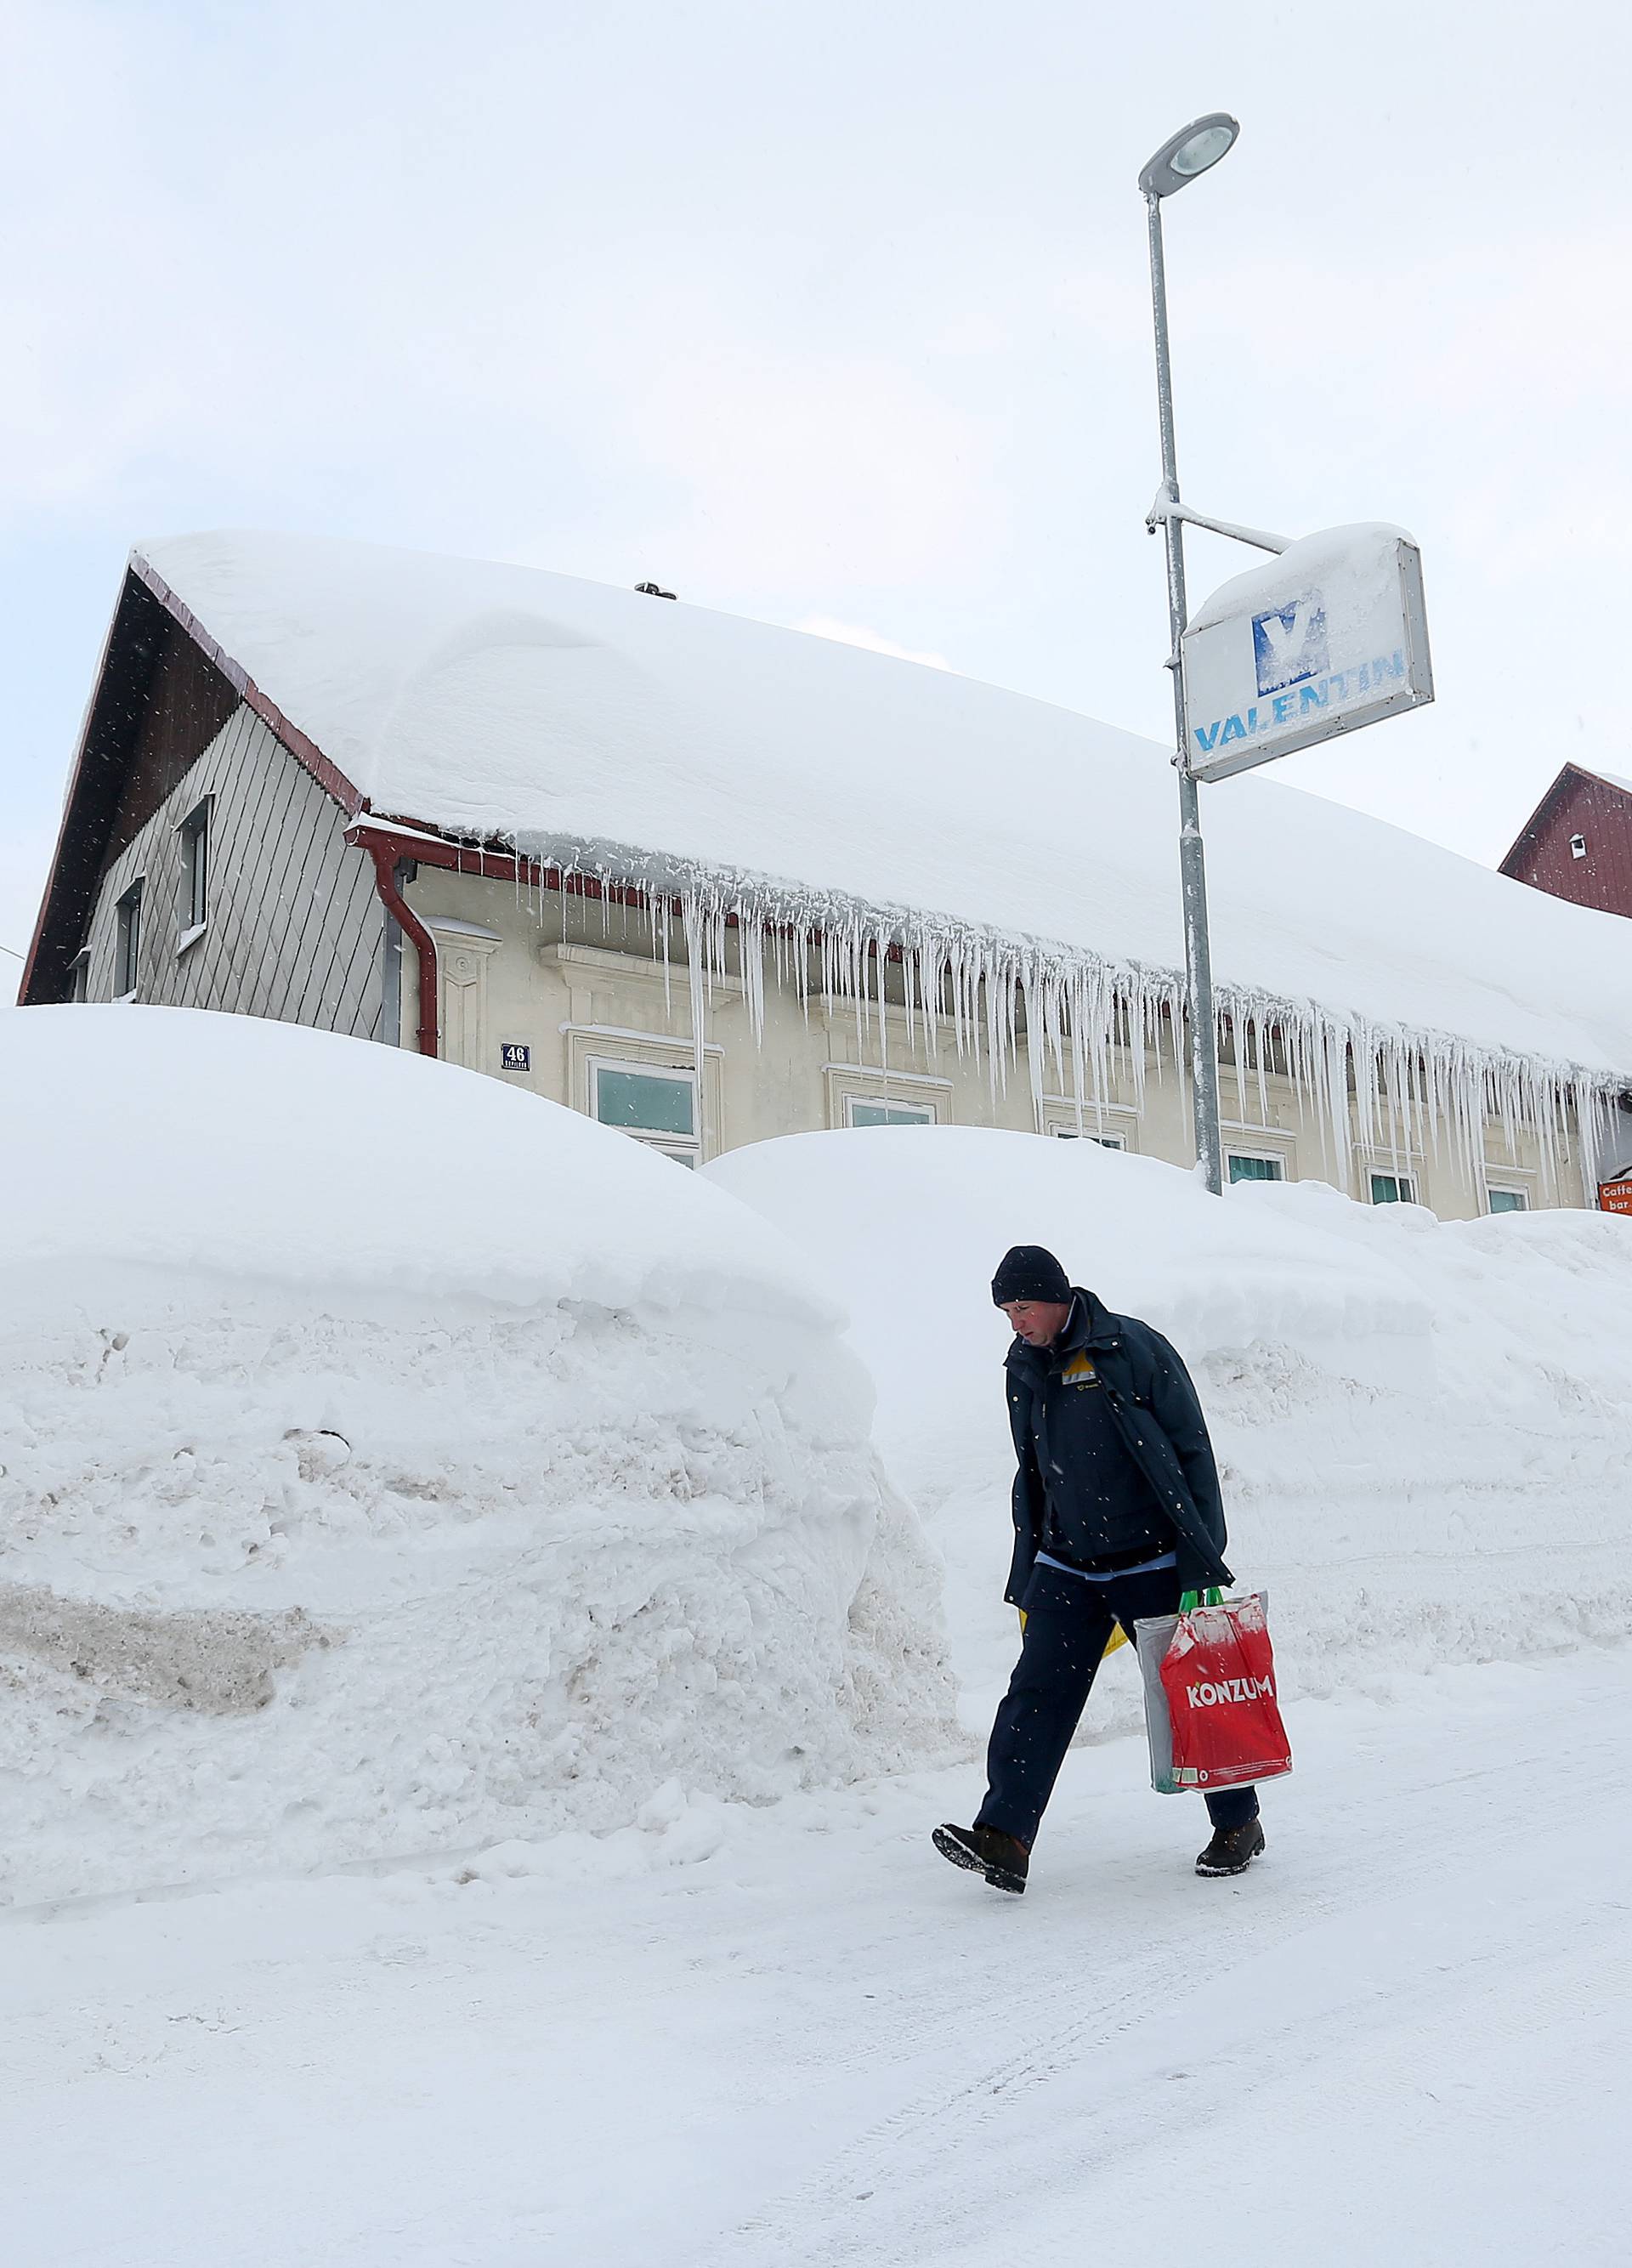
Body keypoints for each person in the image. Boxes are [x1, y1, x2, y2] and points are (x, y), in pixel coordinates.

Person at [934, 1244, 1265, 1895]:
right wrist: (1030, 1567)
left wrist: (1203, 1554)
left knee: (1187, 1696)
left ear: (1058, 1296)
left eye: (1023, 1306)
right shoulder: (1023, 1365)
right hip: (1067, 1564)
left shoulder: (1129, 1348)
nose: (1015, 1321)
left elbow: (1191, 1449)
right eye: (1006, 1310)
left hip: (1152, 1559)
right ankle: (1005, 1838)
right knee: (1036, 1694)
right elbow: (1032, 1471)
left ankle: (1238, 1823)